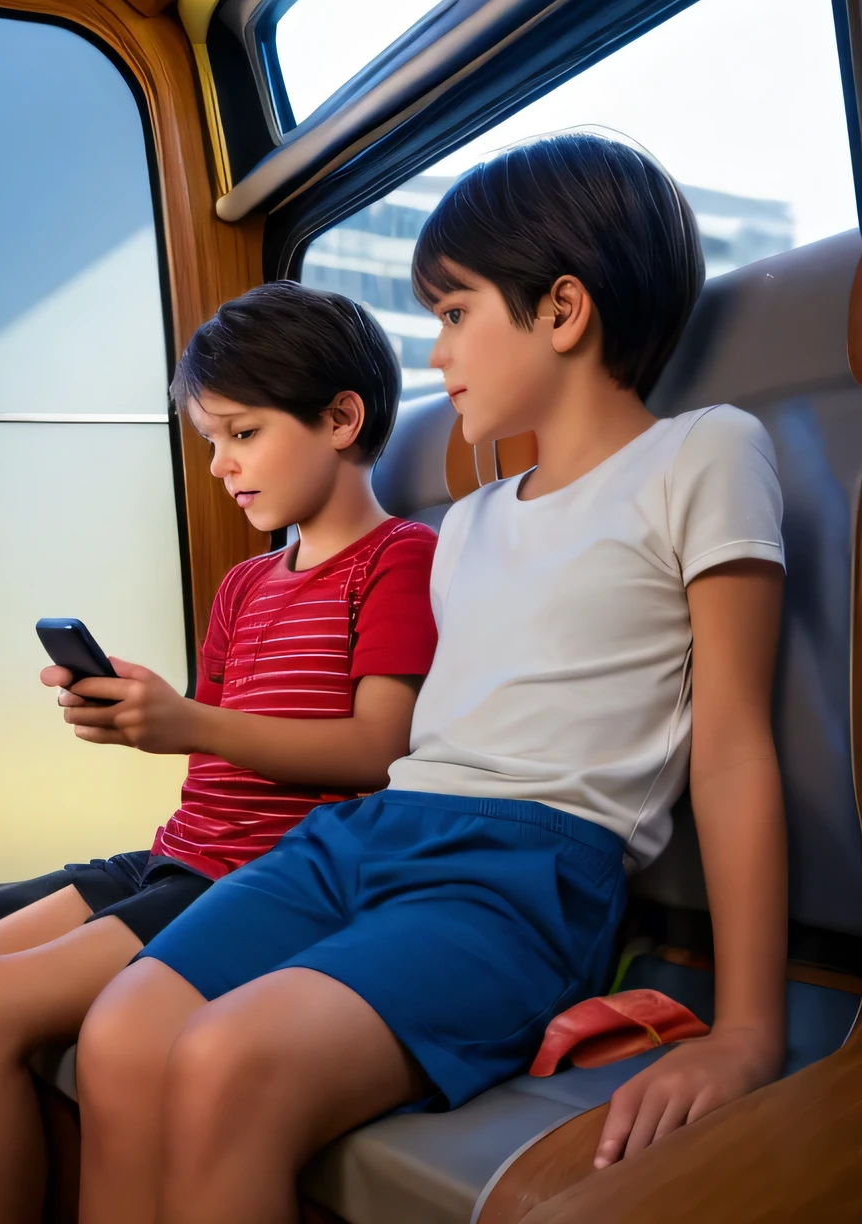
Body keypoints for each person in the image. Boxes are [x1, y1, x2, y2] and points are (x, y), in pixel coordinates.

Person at [74, 131, 787, 1224]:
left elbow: (733, 742)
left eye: (453, 314)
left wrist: (746, 1029)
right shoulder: (466, 524)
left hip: (522, 869)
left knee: (223, 1059)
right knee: (121, 1030)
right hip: (367, 835)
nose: (436, 350)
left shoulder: (702, 454)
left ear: (560, 310)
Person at [0, 282, 438, 1224]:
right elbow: (214, 746)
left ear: (342, 418)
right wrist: (141, 722)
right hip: (178, 848)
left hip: (256, 873)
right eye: (209, 441)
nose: (220, 465)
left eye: (243, 434)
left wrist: (186, 722)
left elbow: (378, 752)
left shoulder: (402, 559)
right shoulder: (245, 585)